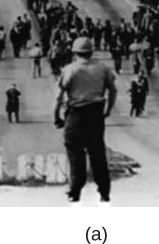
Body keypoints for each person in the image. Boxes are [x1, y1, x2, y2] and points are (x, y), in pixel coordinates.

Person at [53, 37, 117, 204]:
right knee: (98, 153)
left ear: (75, 53)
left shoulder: (70, 69)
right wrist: (107, 110)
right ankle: (104, 192)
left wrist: (56, 116)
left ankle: (75, 191)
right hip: (96, 114)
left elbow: (59, 96)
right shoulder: (103, 69)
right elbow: (113, 91)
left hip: (76, 114)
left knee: (75, 154)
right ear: (91, 52)